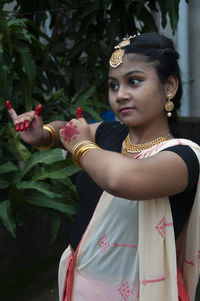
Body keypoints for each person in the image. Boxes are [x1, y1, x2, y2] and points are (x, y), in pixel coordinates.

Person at [7, 32, 200, 301]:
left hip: (140, 292)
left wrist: (79, 146)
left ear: (169, 86)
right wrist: (45, 135)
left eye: (133, 81)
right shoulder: (109, 133)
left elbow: (120, 178)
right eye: (113, 85)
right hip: (78, 284)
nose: (120, 95)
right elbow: (70, 129)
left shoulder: (183, 156)